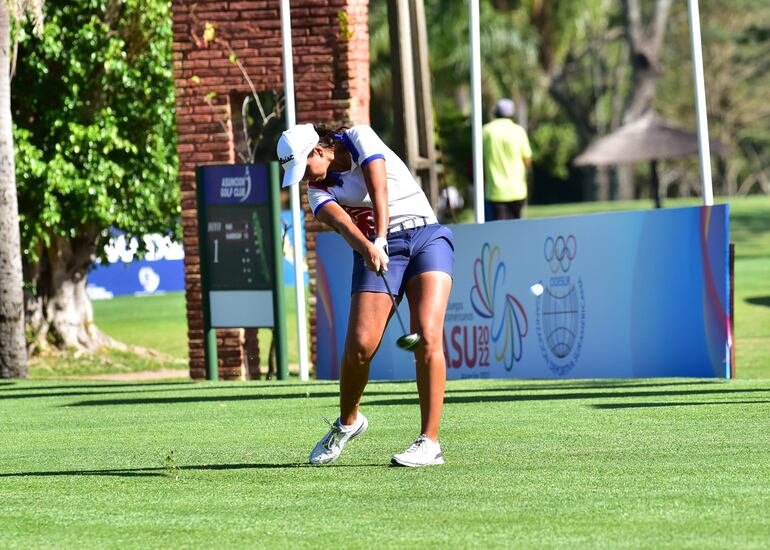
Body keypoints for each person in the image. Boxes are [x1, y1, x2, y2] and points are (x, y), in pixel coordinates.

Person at [277, 123, 454, 467]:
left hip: (426, 237)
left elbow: (379, 186)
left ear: (317, 151)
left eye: (303, 167)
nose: (301, 178)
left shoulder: (359, 137)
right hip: (375, 249)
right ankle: (348, 422)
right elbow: (344, 225)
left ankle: (429, 442)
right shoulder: (316, 190)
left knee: (427, 337)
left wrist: (381, 235)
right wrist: (369, 247)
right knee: (359, 348)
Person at [482, 98, 532, 220]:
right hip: (517, 191)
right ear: (512, 114)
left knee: (499, 234)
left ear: (495, 113)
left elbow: (480, 161)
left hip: (495, 191)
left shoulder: (486, 131)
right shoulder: (518, 131)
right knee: (516, 231)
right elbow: (527, 160)